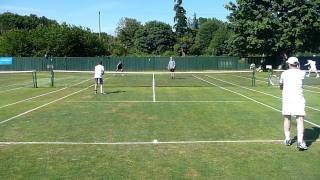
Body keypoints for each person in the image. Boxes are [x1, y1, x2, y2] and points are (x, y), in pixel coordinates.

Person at [279, 57, 308, 150]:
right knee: (300, 119)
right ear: (297, 64)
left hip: (287, 99)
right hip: (298, 98)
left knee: (287, 118)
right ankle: (300, 141)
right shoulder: (302, 73)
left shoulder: (284, 73)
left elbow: (281, 86)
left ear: (289, 64)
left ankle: (287, 139)